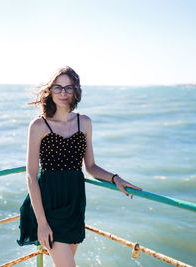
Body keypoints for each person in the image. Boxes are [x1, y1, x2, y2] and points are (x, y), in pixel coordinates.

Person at [17, 66, 142, 266]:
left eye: (69, 88)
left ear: (76, 91)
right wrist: (42, 222)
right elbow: (31, 176)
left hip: (75, 203)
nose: (63, 93)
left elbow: (91, 166)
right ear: (50, 91)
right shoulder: (38, 126)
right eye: (58, 88)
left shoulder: (84, 123)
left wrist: (115, 178)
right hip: (48, 205)